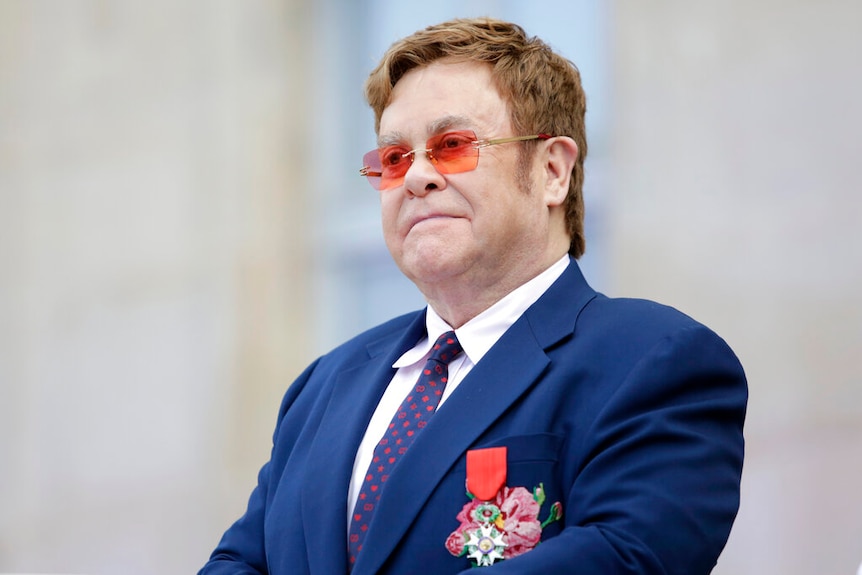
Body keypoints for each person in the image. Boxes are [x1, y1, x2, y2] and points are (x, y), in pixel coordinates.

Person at [199, 17, 747, 575]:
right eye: (393, 159)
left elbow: (626, 556)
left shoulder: (653, 359)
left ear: (553, 170)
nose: (416, 178)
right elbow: (239, 562)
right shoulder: (323, 386)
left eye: (452, 145)